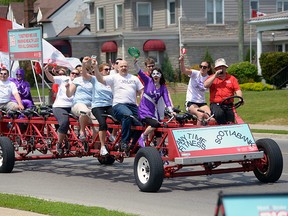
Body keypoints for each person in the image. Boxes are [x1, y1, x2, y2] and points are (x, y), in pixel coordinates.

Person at [94, 60, 144, 154]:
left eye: (125, 66)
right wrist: (95, 67)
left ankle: (132, 145)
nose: (124, 68)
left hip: (133, 105)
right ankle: (124, 142)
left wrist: (141, 103)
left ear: (128, 67)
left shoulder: (134, 78)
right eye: (121, 66)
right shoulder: (114, 77)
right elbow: (100, 79)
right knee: (127, 115)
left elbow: (141, 90)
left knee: (141, 124)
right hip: (119, 105)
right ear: (118, 68)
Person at [134, 60, 175, 147]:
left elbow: (166, 99)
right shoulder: (148, 81)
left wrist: (171, 110)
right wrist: (135, 64)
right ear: (151, 75)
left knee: (159, 130)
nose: (155, 76)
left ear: (161, 75)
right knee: (155, 124)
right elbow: (140, 72)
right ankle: (143, 137)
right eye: (153, 74)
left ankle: (160, 151)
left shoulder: (163, 87)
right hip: (144, 111)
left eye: (157, 74)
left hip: (154, 112)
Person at [44, 65, 80, 153]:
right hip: (60, 106)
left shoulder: (80, 82)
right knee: (64, 122)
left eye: (77, 74)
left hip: (73, 106)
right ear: (70, 74)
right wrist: (46, 71)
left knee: (85, 117)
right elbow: (52, 78)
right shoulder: (64, 79)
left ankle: (80, 138)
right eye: (73, 73)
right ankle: (59, 143)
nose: (74, 75)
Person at [81, 59, 113, 156]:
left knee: (119, 119)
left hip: (109, 105)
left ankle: (112, 136)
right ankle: (102, 146)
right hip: (98, 106)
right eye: (106, 70)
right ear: (100, 71)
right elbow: (84, 75)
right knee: (102, 123)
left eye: (109, 69)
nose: (108, 71)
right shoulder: (95, 79)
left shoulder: (111, 80)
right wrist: (84, 64)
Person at [66, 60, 97, 143]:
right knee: (84, 111)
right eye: (83, 71)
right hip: (78, 104)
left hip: (92, 105)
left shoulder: (94, 80)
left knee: (97, 126)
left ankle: (96, 148)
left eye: (87, 70)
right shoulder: (77, 80)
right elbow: (69, 94)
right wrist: (67, 88)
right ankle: (82, 131)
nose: (85, 72)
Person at [204, 58, 243, 124]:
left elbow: (238, 90)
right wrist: (215, 76)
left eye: (222, 67)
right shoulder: (212, 78)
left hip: (229, 104)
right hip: (216, 104)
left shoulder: (232, 78)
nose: (221, 69)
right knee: (219, 114)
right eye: (219, 67)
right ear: (216, 69)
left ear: (225, 68)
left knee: (231, 118)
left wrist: (240, 99)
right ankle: (222, 126)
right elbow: (205, 85)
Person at [179, 55, 213, 125]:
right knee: (200, 114)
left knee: (211, 118)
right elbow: (184, 70)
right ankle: (199, 134)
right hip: (191, 102)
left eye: (204, 67)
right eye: (201, 66)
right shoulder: (195, 73)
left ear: (208, 69)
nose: (202, 68)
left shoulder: (209, 78)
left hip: (202, 102)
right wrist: (182, 61)